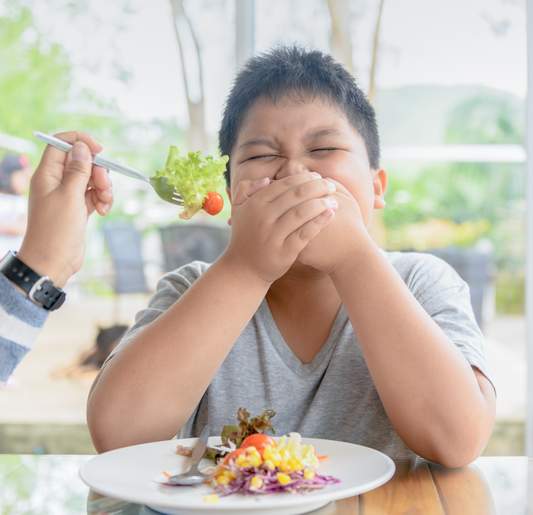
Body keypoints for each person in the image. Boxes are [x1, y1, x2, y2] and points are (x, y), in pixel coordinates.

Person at [87, 46, 496, 468]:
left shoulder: (422, 282)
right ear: (230, 199)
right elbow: (119, 435)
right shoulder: (192, 288)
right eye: (262, 156)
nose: (296, 174)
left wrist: (354, 256)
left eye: (323, 150)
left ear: (376, 188)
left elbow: (457, 441)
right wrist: (245, 268)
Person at [0, 132, 114, 390]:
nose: (23, 180)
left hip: (17, 268)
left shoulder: (18, 201)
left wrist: (53, 262)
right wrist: (48, 261)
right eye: (20, 174)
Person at [0, 152, 33, 258]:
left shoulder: (22, 202)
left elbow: (23, 227)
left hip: (7, 259)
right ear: (8, 173)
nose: (26, 182)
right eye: (23, 176)